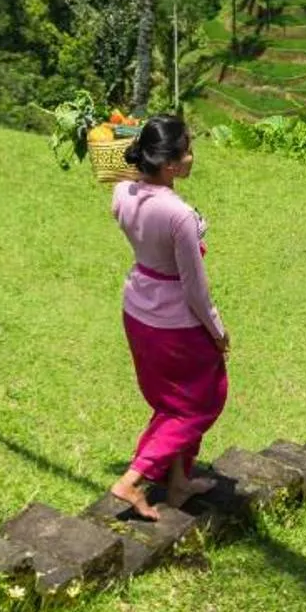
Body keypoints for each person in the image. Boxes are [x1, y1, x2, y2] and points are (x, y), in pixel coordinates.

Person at [109, 115, 229, 519]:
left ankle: (178, 482)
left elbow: (131, 182)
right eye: (187, 151)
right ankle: (133, 479)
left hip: (137, 309)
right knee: (201, 401)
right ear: (170, 165)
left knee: (171, 400)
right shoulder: (179, 216)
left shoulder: (122, 193)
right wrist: (218, 331)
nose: (192, 156)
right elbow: (195, 289)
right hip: (175, 322)